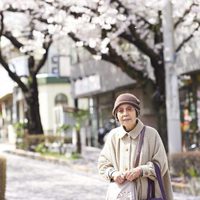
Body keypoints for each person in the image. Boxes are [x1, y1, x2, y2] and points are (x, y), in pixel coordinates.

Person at [98, 93, 174, 200]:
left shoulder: (151, 134)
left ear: (136, 112)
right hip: (121, 196)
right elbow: (103, 164)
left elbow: (161, 165)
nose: (125, 113)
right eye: (120, 111)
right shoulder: (113, 136)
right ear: (116, 116)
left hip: (148, 196)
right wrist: (114, 174)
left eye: (129, 109)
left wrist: (141, 170)